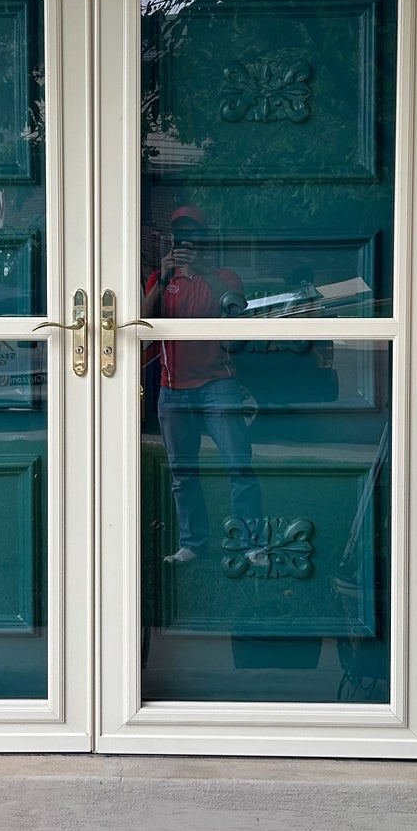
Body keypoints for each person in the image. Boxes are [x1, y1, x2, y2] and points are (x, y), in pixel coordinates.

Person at [143, 206, 265, 566]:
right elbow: (144, 326)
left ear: (203, 240)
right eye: (180, 236)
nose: (186, 242)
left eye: (192, 235)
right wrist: (164, 279)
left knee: (238, 465)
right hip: (173, 386)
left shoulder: (224, 276)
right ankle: (192, 545)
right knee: (182, 473)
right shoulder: (161, 278)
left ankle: (251, 542)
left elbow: (236, 312)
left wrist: (205, 273)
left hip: (218, 384)